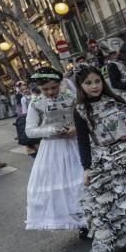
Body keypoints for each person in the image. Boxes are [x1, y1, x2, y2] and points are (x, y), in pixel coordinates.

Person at [72, 64, 126, 252]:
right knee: (125, 200)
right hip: (109, 158)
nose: (94, 86)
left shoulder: (115, 99)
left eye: (97, 81)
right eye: (88, 83)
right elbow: (83, 141)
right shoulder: (80, 110)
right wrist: (86, 167)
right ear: (80, 86)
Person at [24, 68, 85, 233]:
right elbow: (30, 130)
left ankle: (89, 217)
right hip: (52, 150)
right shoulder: (36, 104)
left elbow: (84, 117)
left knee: (81, 179)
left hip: (75, 144)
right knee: (63, 185)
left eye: (54, 87)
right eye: (45, 89)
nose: (50, 92)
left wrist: (76, 128)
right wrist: (53, 130)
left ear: (60, 84)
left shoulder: (71, 98)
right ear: (39, 88)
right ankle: (77, 222)